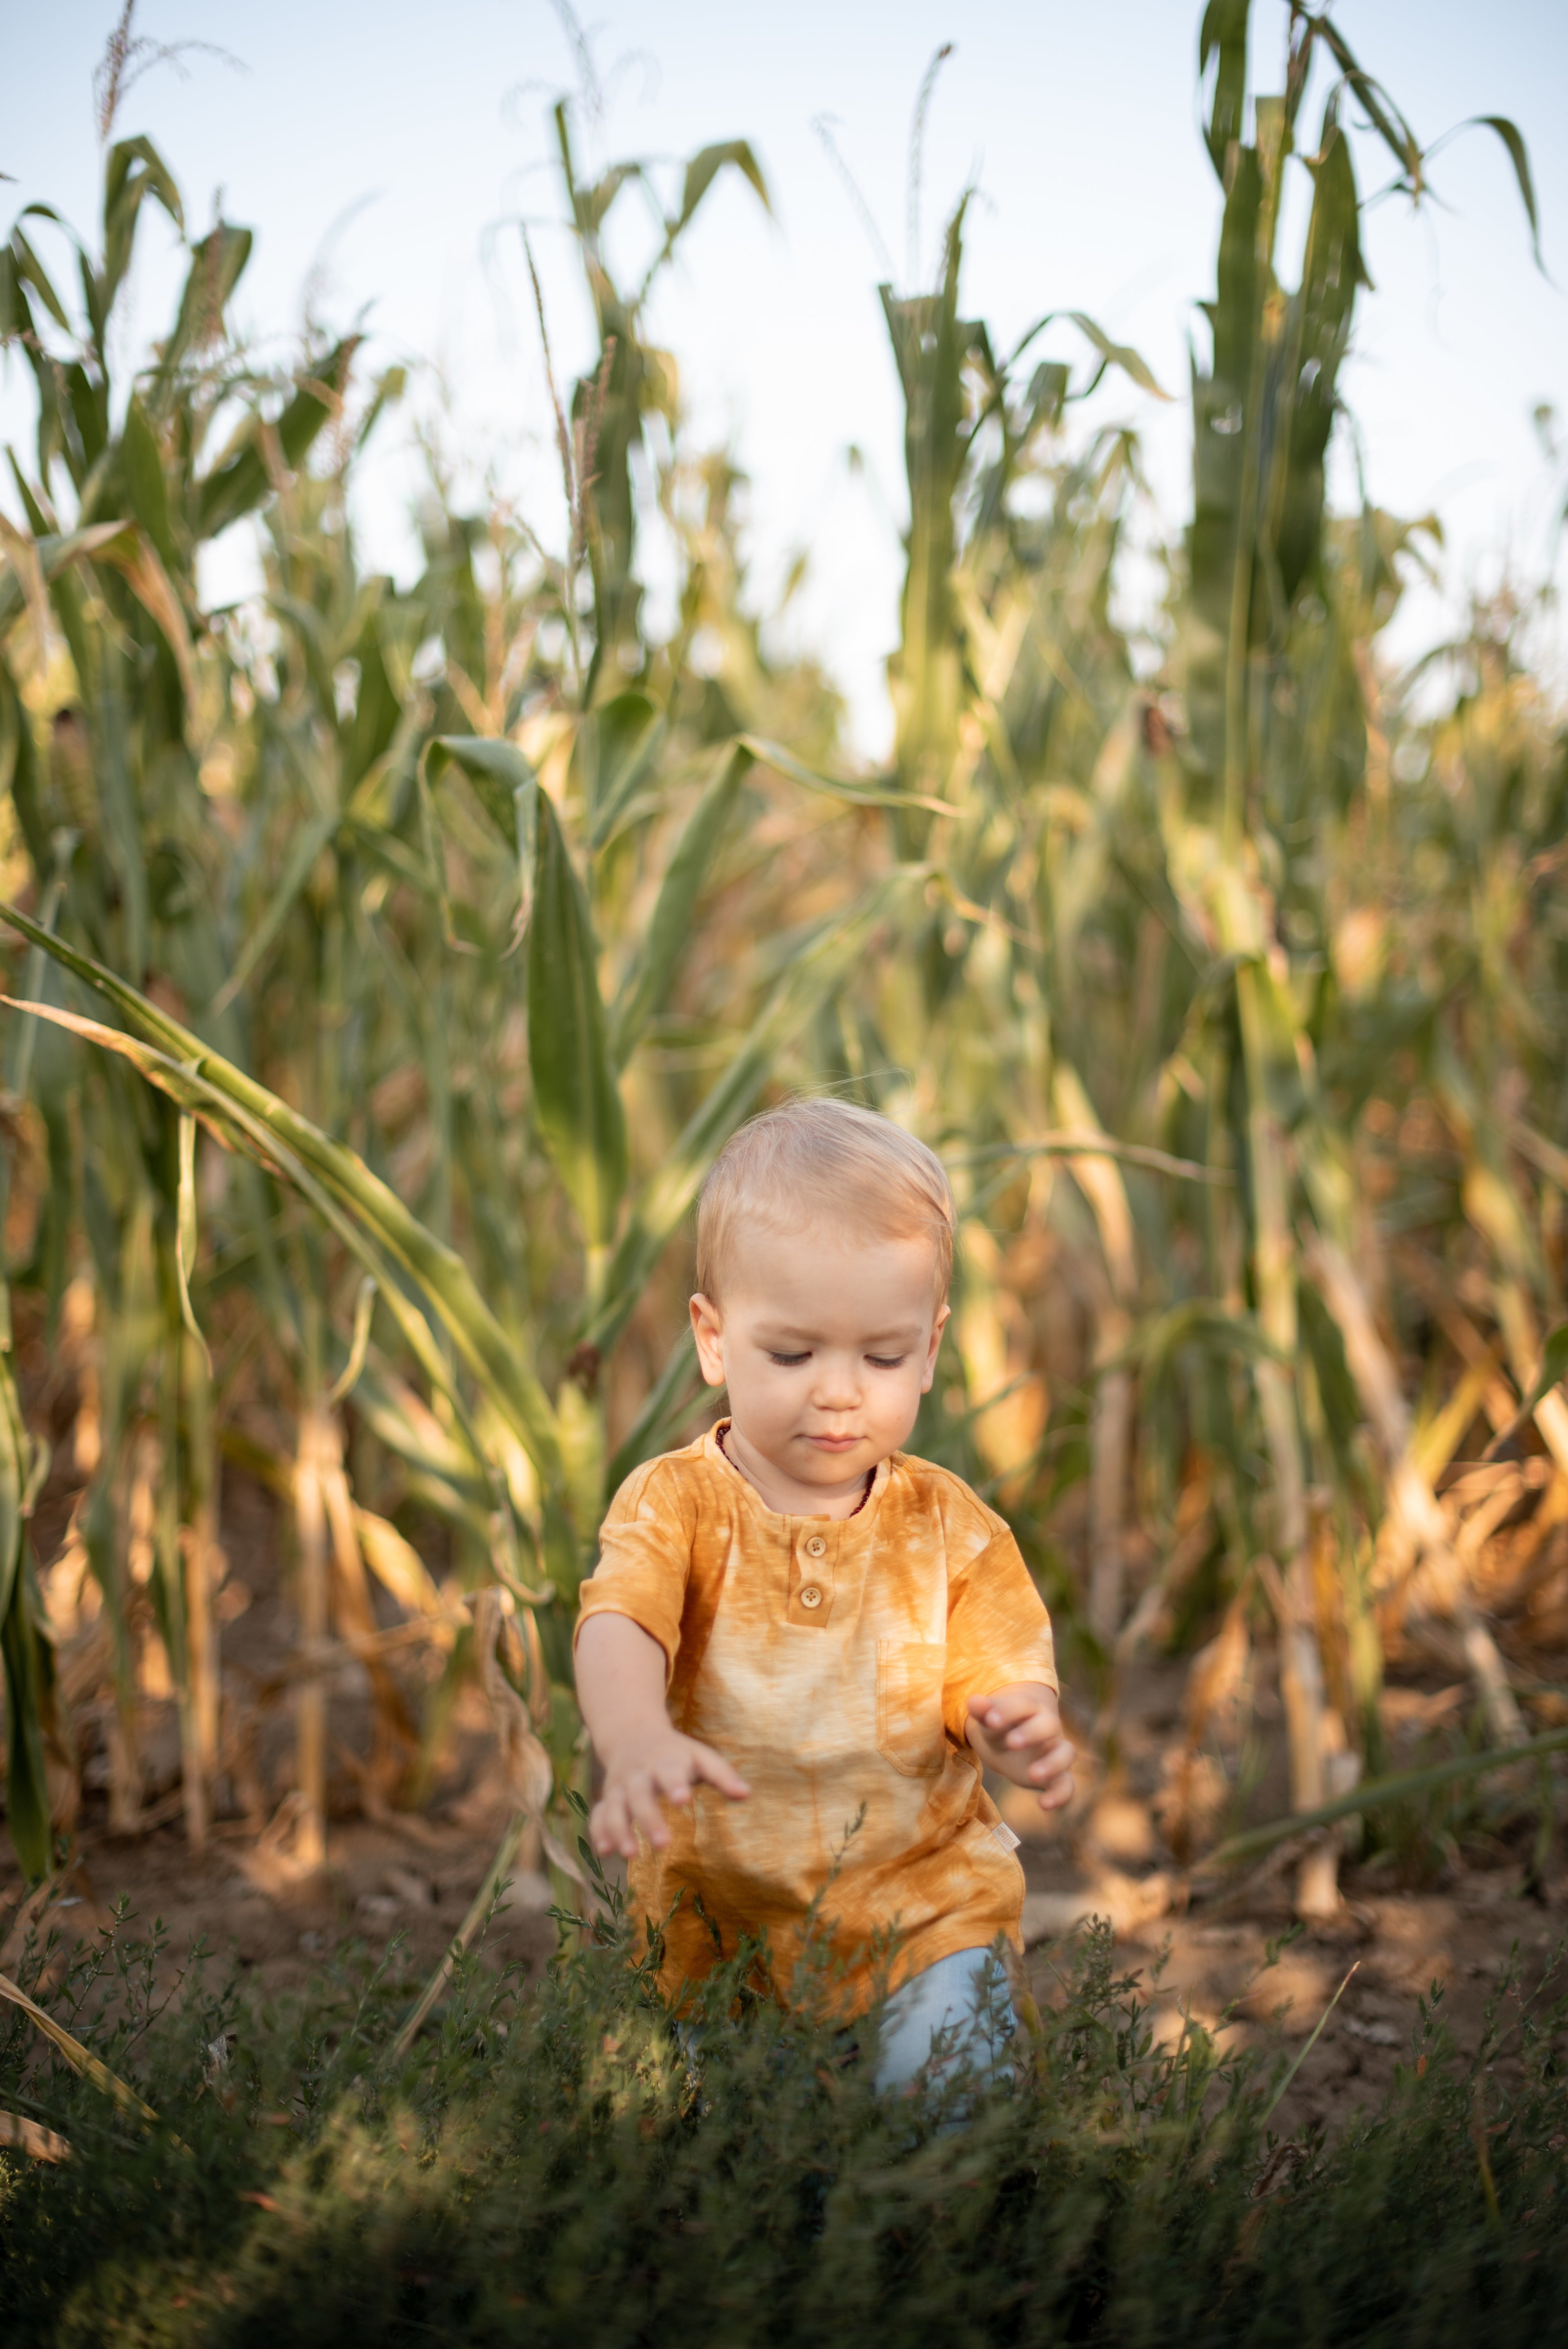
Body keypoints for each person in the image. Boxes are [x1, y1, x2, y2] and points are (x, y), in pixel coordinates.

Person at [573, 1098, 1075, 2092]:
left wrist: (1019, 1720)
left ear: (930, 1348)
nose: (839, 1390)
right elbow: (620, 1619)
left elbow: (1001, 1657)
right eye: (793, 1354)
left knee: (954, 2089)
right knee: (745, 2157)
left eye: (881, 1357)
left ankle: (947, 2211)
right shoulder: (677, 1502)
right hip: (722, 1915)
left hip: (923, 1902)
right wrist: (633, 1736)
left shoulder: (952, 1528)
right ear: (715, 1341)